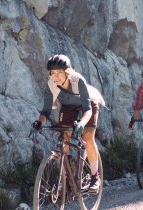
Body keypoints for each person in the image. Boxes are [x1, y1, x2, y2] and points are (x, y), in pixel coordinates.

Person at [33, 54, 105, 193]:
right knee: (64, 137)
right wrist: (39, 123)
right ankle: (68, 174)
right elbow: (46, 111)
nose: (56, 76)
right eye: (53, 73)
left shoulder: (78, 81)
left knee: (88, 136)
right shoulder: (51, 85)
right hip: (68, 106)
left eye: (60, 72)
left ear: (67, 72)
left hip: (89, 103)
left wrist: (82, 124)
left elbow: (88, 110)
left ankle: (95, 178)